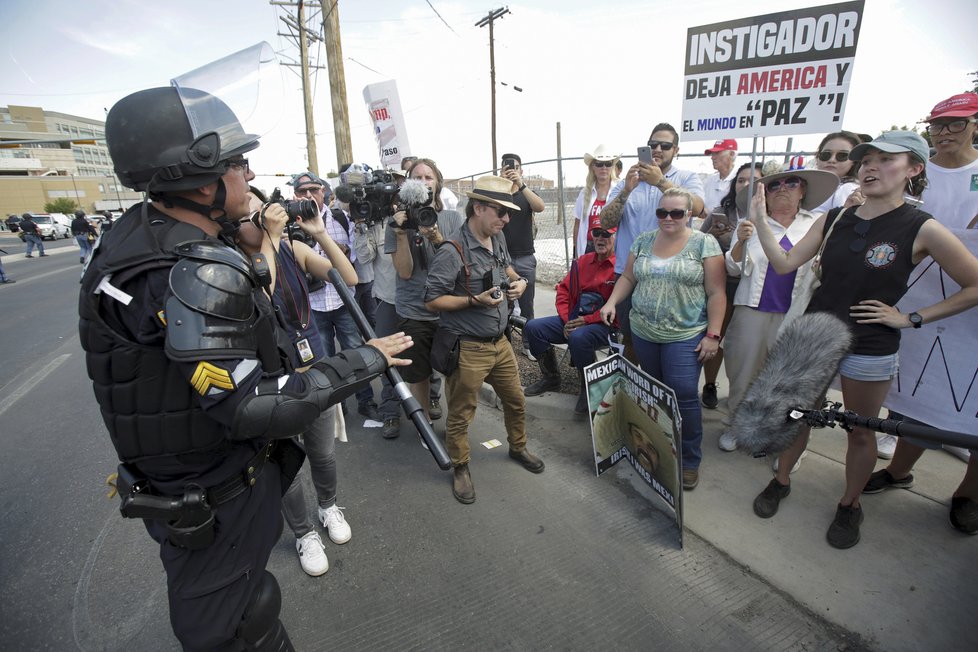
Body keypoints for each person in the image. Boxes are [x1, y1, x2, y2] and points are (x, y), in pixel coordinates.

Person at [79, 85, 412, 649]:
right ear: (201, 180)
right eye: (237, 163)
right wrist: (367, 359)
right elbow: (254, 404)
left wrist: (256, 239)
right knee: (239, 628)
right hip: (209, 499)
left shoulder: (139, 238)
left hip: (187, 484)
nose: (249, 174)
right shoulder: (189, 270)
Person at [746, 131, 978, 548]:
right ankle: (781, 480)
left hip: (871, 345)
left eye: (887, 159)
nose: (871, 166)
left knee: (860, 431)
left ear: (915, 169)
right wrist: (761, 220)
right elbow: (783, 263)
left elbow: (974, 285)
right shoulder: (835, 219)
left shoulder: (922, 227)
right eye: (867, 159)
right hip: (815, 338)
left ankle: (850, 504)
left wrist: (912, 318)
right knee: (797, 416)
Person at [864, 93, 978, 535]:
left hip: (969, 306)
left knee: (970, 399)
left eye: (956, 123)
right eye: (938, 124)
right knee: (915, 395)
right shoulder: (914, 174)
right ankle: (898, 471)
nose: (945, 132)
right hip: (913, 297)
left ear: (973, 125)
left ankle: (968, 493)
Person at [237, 189, 360, 577]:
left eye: (267, 211)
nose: (265, 218)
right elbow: (263, 296)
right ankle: (304, 532)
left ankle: (328, 507)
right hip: (270, 383)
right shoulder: (233, 264)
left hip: (313, 371)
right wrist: (271, 240)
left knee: (322, 454)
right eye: (253, 216)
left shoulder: (292, 249)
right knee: (285, 468)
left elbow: (349, 277)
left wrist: (320, 234)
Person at [425, 175, 545, 504]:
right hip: (468, 348)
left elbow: (506, 268)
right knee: (462, 413)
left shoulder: (498, 237)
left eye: (508, 213)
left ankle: (518, 447)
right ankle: (460, 467)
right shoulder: (452, 251)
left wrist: (518, 281)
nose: (507, 219)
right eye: (500, 212)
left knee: (516, 401)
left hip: (500, 343)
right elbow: (432, 300)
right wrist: (472, 302)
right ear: (478, 208)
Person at [599, 188, 724, 490]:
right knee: (654, 392)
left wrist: (713, 334)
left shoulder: (704, 243)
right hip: (643, 330)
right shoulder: (643, 240)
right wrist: (612, 302)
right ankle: (659, 446)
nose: (668, 218)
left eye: (677, 213)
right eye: (662, 212)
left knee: (682, 393)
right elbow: (628, 277)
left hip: (684, 333)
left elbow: (717, 292)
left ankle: (689, 458)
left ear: (689, 215)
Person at [716, 164, 838, 457]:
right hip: (752, 311)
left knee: (789, 382)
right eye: (774, 185)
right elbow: (732, 268)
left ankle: (785, 441)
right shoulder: (751, 223)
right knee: (743, 374)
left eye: (792, 182)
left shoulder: (818, 223)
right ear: (764, 194)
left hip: (797, 314)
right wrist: (741, 241)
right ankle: (737, 426)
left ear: (803, 190)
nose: (783, 188)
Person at [600, 123, 706, 360]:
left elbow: (698, 208)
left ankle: (661, 389)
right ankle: (633, 392)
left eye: (665, 145)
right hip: (628, 273)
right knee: (629, 338)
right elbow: (606, 222)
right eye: (652, 145)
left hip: (671, 274)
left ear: (676, 150)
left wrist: (660, 181)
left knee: (667, 338)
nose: (657, 149)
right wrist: (626, 191)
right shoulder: (629, 181)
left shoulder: (685, 177)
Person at [293, 171, 380, 421]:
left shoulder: (342, 218)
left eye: (313, 189)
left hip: (343, 301)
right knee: (325, 360)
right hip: (313, 306)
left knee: (355, 353)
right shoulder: (290, 224)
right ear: (295, 195)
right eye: (302, 192)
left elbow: (357, 259)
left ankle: (365, 401)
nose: (308, 195)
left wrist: (340, 249)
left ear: (323, 192)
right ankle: (335, 409)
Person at [386, 158, 463, 429]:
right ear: (406, 184)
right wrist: (400, 233)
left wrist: (435, 236)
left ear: (438, 182)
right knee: (417, 371)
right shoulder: (396, 223)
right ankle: (425, 424)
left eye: (428, 177)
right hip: (413, 308)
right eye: (416, 177)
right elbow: (405, 272)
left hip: (447, 307)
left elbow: (459, 265)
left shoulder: (453, 218)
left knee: (454, 367)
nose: (422, 182)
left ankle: (456, 424)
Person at [523, 225, 617, 414]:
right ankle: (551, 377)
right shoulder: (583, 261)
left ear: (616, 237)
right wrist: (568, 320)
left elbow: (616, 308)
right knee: (533, 327)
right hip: (574, 319)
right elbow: (564, 291)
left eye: (606, 234)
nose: (600, 238)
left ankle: (589, 388)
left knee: (579, 337)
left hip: (604, 324)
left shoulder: (621, 267)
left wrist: (585, 321)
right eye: (596, 233)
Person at [697, 162, 763, 411]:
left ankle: (745, 393)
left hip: (754, 288)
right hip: (722, 285)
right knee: (717, 336)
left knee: (745, 344)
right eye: (741, 180)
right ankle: (711, 384)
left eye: (753, 180)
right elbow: (697, 242)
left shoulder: (769, 214)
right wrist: (712, 236)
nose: (746, 185)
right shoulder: (720, 213)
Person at [499, 152, 545, 353]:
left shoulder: (526, 194)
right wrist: (501, 185)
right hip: (502, 258)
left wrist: (522, 184)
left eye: (514, 167)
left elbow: (540, 207)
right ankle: (504, 345)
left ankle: (529, 345)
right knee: (502, 303)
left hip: (525, 257)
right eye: (506, 167)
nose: (511, 170)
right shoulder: (499, 194)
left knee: (527, 305)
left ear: (521, 170)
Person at [572, 144, 620, 258]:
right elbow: (577, 224)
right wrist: (575, 251)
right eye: (599, 164)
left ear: (612, 167)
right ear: (593, 167)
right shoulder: (584, 193)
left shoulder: (620, 190)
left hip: (613, 247)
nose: (604, 168)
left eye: (608, 164)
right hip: (589, 247)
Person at [811, 131, 863, 215]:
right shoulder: (807, 185)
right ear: (818, 157)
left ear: (854, 161)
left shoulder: (847, 188)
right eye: (826, 155)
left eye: (842, 156)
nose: (832, 160)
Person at [700, 139, 738, 221]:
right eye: (712, 154)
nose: (712, 157)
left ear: (732, 154)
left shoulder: (740, 179)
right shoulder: (710, 180)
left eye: (717, 153)